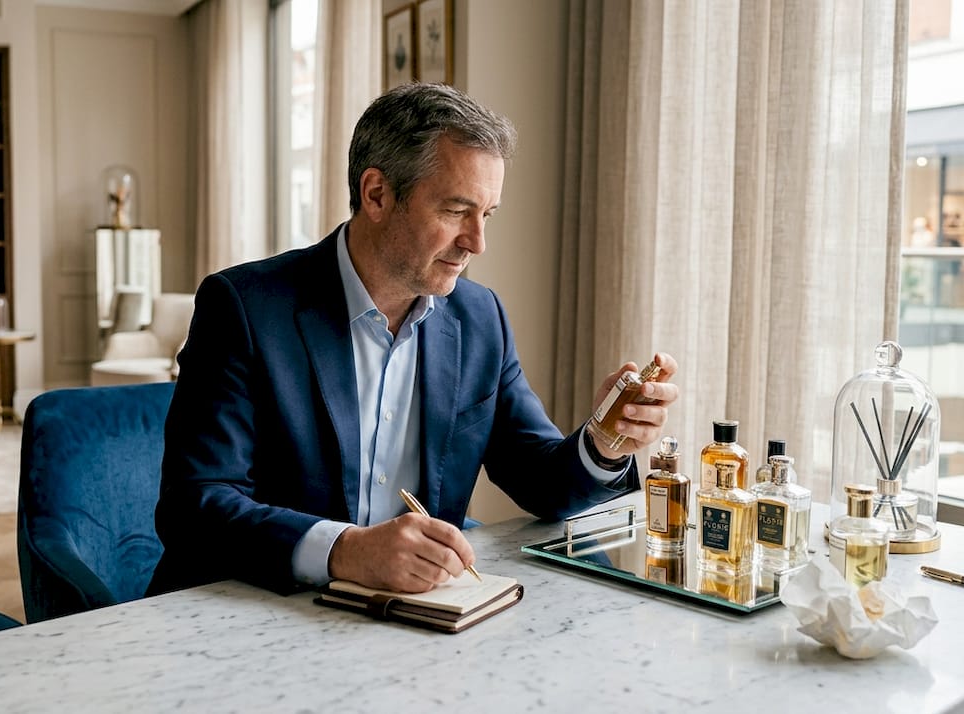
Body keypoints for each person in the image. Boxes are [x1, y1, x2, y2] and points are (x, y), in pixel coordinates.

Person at [147, 83, 679, 597]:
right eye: (455, 211)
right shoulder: (243, 306)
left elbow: (537, 477)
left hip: (416, 618)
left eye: (486, 214)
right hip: (253, 613)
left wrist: (605, 442)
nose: (477, 242)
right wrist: (346, 552)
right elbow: (196, 504)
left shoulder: (480, 317)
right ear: (376, 194)